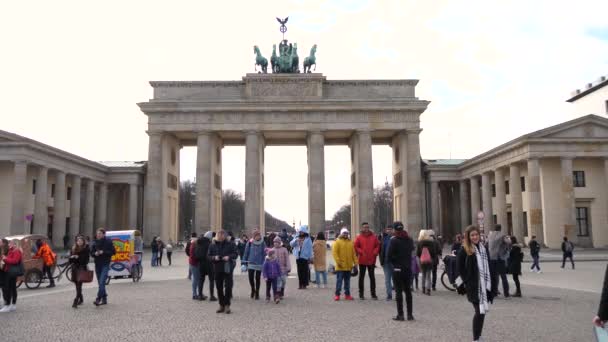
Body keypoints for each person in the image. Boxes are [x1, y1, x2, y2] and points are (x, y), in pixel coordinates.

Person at [457, 226, 494, 342]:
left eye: (476, 234)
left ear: (479, 235)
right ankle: (476, 338)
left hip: (484, 286)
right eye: (472, 235)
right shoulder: (464, 249)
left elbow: (489, 266)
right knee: (478, 311)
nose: (474, 237)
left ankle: (478, 336)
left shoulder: (483, 248)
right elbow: (460, 268)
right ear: (468, 237)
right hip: (473, 286)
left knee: (482, 312)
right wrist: (467, 281)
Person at [387, 221, 414, 321]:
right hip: (407, 268)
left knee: (398, 292)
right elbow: (411, 251)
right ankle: (410, 315)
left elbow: (389, 256)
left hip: (397, 269)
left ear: (394, 229)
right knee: (408, 292)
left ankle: (401, 315)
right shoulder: (409, 239)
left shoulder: (394, 240)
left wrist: (394, 263)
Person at [208, 230, 237, 314]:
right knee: (219, 287)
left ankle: (227, 305)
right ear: (217, 236)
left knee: (228, 287)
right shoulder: (212, 245)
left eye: (222, 235)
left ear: (225, 236)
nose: (221, 236)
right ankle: (221, 305)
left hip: (227, 268)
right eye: (219, 235)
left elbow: (235, 254)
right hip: (217, 268)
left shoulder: (231, 244)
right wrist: (214, 257)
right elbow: (208, 256)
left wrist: (229, 257)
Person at [354, 222, 380, 300]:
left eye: (367, 227)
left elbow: (378, 245)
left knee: (372, 277)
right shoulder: (359, 237)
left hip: (371, 260)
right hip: (362, 260)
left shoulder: (374, 237)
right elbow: (355, 246)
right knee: (361, 277)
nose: (366, 228)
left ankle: (373, 294)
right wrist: (361, 252)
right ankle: (361, 294)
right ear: (362, 228)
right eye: (365, 227)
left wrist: (375, 252)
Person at [90, 228, 116, 306]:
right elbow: (91, 253)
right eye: (97, 233)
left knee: (101, 282)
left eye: (100, 234)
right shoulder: (94, 242)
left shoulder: (108, 241)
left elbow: (113, 252)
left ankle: (98, 299)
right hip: (97, 264)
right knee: (100, 283)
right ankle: (104, 298)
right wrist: (95, 254)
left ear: (103, 234)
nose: (98, 235)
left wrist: (103, 252)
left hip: (105, 264)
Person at [332, 228, 357, 301]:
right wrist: (338, 262)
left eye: (346, 233)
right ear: (341, 233)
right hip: (340, 267)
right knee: (339, 282)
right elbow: (334, 253)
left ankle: (347, 295)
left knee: (347, 282)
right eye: (344, 233)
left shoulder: (350, 242)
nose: (345, 234)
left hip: (348, 266)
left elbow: (353, 254)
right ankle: (337, 295)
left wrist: (356, 263)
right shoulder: (337, 242)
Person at [488, 224, 511, 298]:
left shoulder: (490, 235)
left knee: (493, 276)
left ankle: (494, 292)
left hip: (491, 258)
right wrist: (508, 239)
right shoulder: (502, 235)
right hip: (499, 258)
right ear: (500, 229)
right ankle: (506, 293)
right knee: (503, 276)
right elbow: (508, 242)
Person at [0, 239, 22, 313]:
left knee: (9, 288)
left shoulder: (17, 251)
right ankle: (11, 305)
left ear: (15, 244)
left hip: (11, 272)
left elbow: (15, 261)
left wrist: (5, 259)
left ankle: (9, 305)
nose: (9, 244)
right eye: (9, 243)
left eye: (10, 243)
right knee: (11, 288)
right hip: (8, 271)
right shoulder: (11, 250)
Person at [243, 230, 266, 300]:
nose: (257, 237)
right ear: (253, 236)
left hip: (259, 263)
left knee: (258, 278)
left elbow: (265, 253)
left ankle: (257, 293)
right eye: (256, 235)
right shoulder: (250, 243)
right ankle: (253, 289)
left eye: (258, 235)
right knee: (250, 278)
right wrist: (244, 262)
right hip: (251, 262)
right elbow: (246, 252)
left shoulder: (263, 243)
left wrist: (265, 262)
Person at [69, 235, 90, 308]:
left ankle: (76, 299)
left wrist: (79, 257)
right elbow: (70, 261)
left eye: (81, 241)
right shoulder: (73, 248)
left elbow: (86, 261)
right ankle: (81, 298)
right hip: (74, 268)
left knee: (79, 284)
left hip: (81, 268)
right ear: (76, 242)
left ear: (83, 242)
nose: (79, 242)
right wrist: (72, 257)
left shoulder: (86, 249)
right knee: (76, 285)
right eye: (78, 241)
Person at [195, 231, 216, 301]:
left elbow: (196, 253)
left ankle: (200, 295)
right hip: (209, 263)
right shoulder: (210, 244)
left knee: (201, 280)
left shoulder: (198, 243)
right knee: (211, 280)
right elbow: (213, 253)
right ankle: (212, 296)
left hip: (201, 263)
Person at [417, 230, 437, 296]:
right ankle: (428, 290)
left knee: (423, 275)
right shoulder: (431, 242)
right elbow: (434, 253)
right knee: (429, 276)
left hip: (422, 261)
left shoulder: (419, 243)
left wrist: (421, 257)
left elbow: (418, 253)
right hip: (429, 261)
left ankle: (423, 288)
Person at [379, 225, 394, 300]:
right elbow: (381, 251)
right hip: (386, 262)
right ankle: (389, 295)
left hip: (395, 262)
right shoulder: (384, 239)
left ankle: (398, 294)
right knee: (387, 279)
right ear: (386, 230)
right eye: (388, 229)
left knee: (395, 279)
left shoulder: (396, 238)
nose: (389, 231)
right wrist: (381, 261)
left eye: (391, 229)